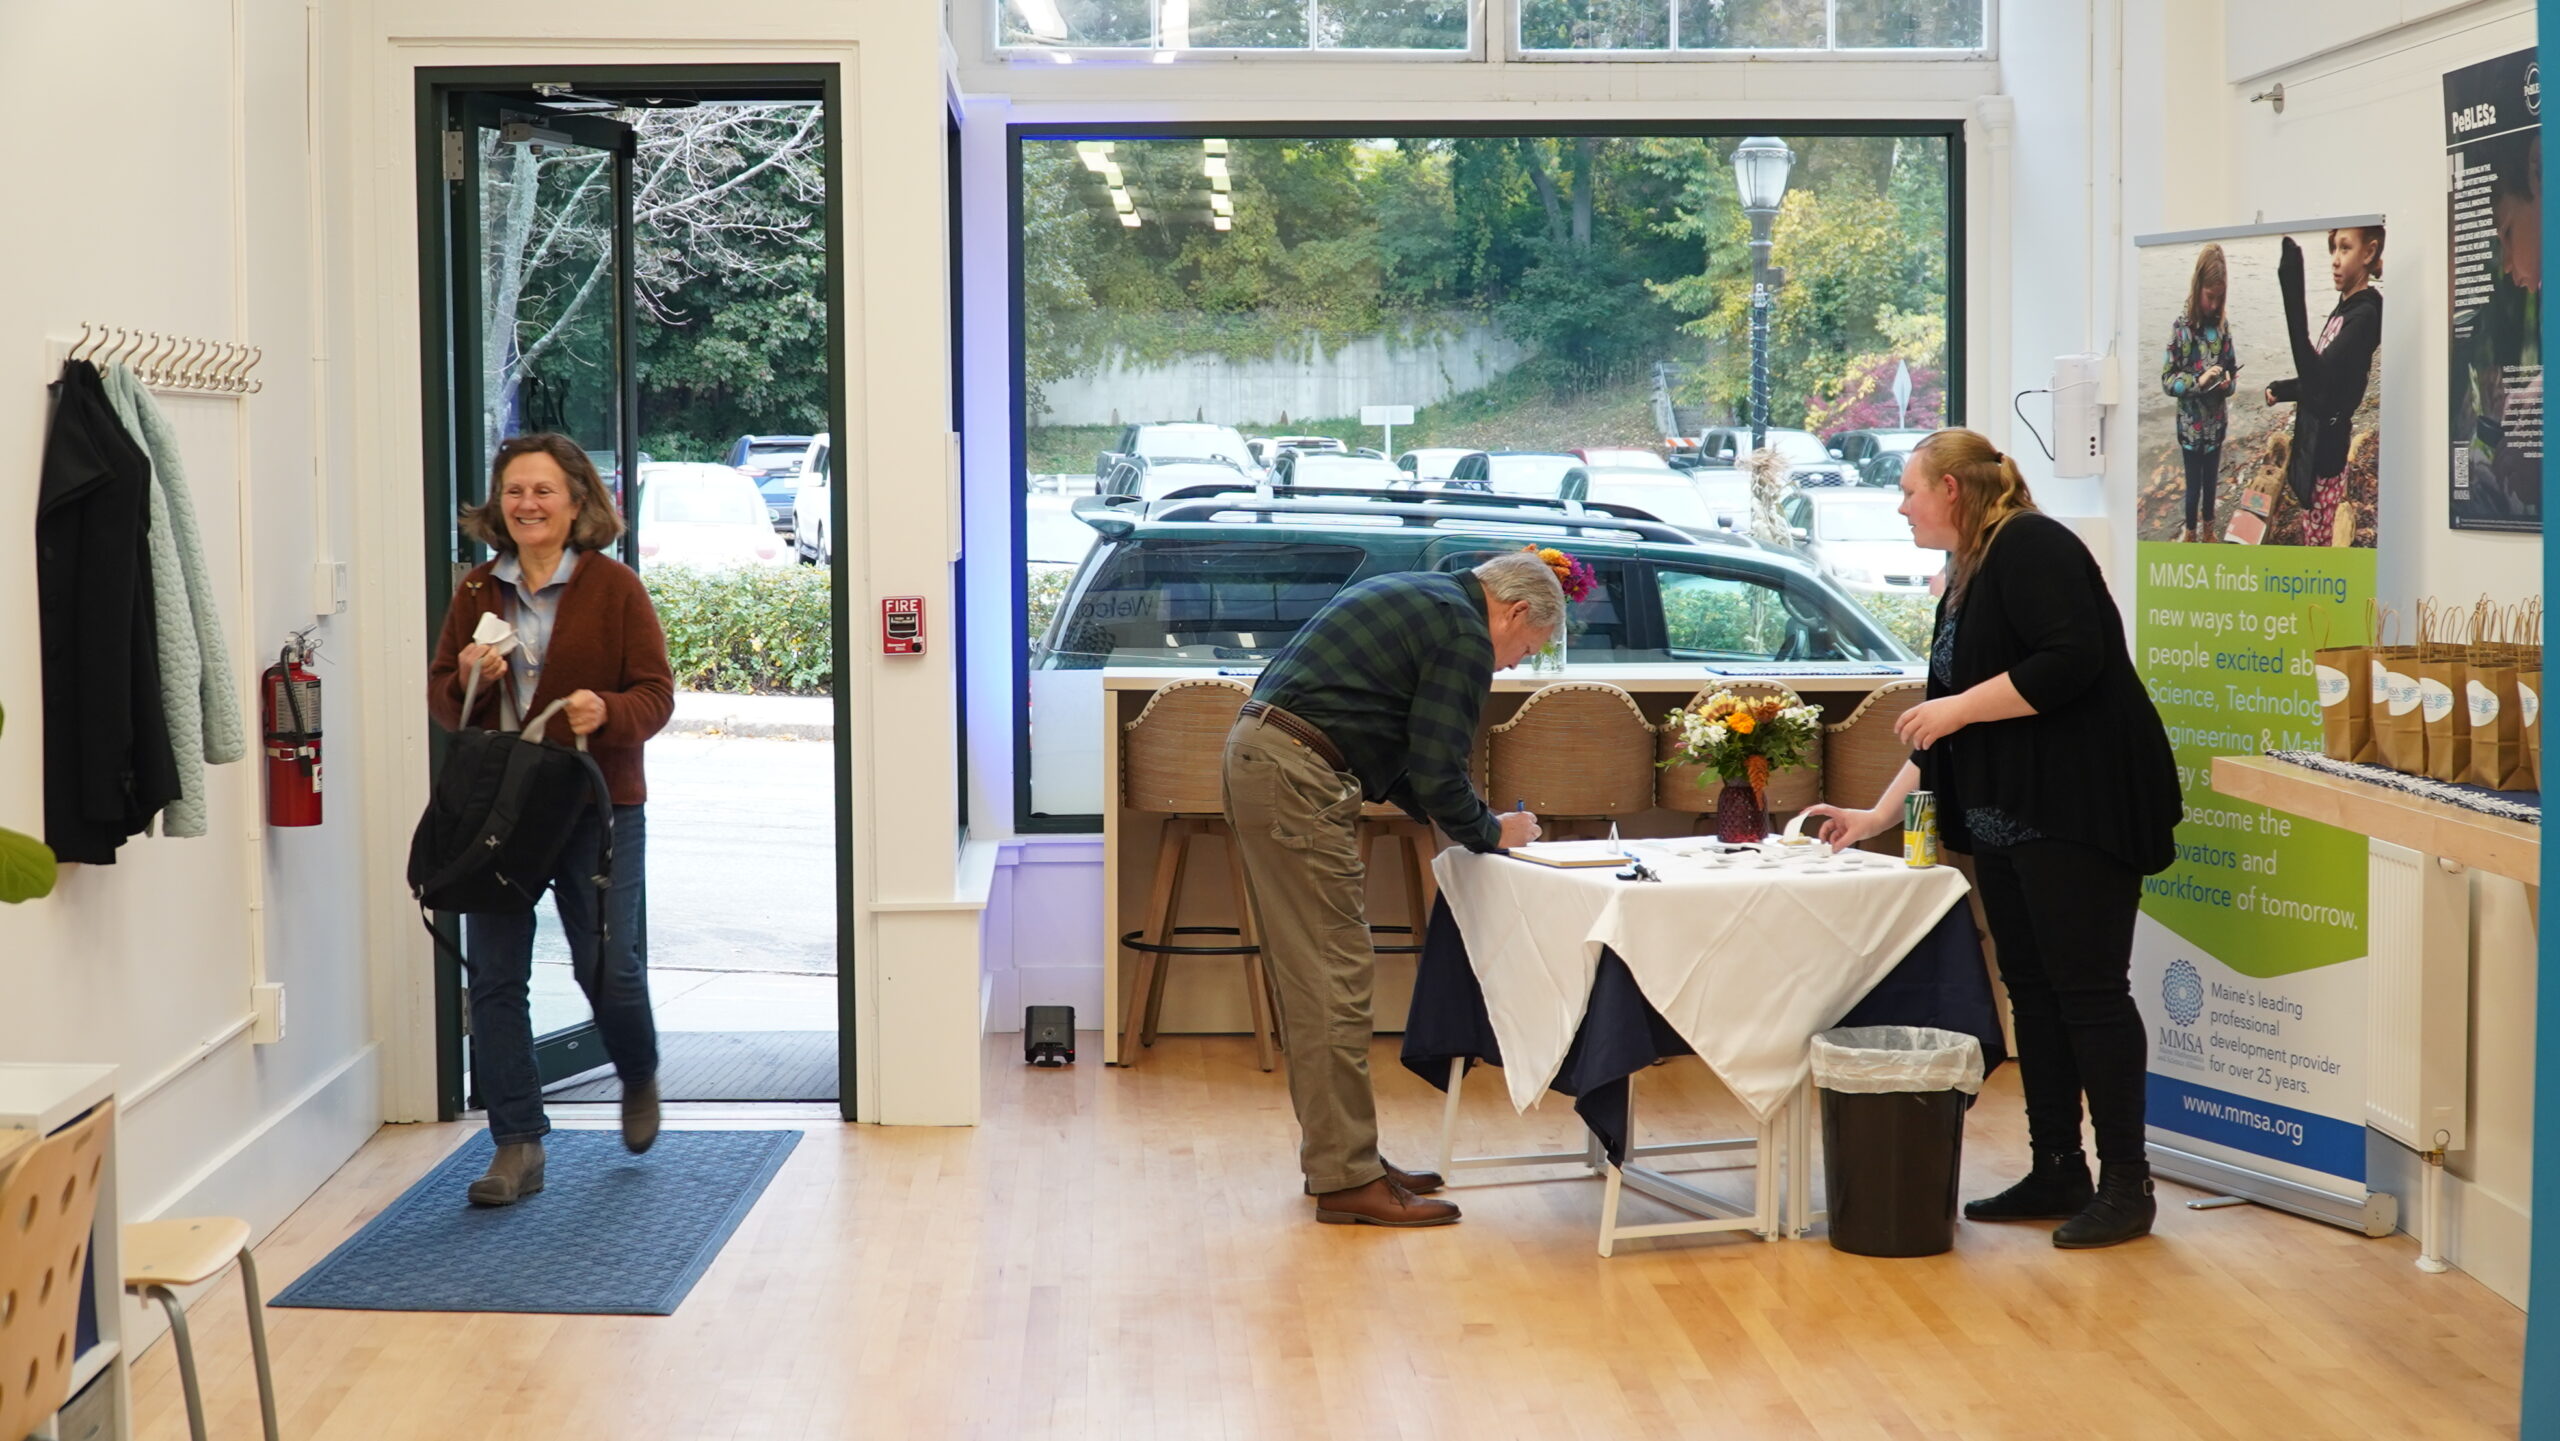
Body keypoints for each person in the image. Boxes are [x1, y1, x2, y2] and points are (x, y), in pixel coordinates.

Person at [1801, 429, 2182, 1249]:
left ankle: (2126, 1181)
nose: (1899, 505)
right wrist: (1876, 816)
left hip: (2080, 808)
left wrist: (1959, 709)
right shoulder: (1965, 576)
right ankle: (2057, 1165)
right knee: (2032, 992)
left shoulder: (2033, 546)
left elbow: (2073, 659)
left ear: (1953, 490)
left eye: (1909, 489)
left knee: (2088, 991)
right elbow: (1937, 725)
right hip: (2008, 816)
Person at [1223, 552, 1558, 1227]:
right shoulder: (1463, 633)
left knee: (1319, 978)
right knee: (1332, 981)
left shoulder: (1421, 596)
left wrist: (1472, 827)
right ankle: (1347, 1178)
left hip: (1267, 755)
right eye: (1526, 648)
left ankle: (1349, 1159)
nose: (1516, 665)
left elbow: (1406, 762)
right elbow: (1437, 770)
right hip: (1296, 774)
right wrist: (1491, 830)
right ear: (1514, 611)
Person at [428, 433, 675, 1206]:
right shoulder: (475, 592)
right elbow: (443, 699)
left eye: (543, 491)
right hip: (497, 810)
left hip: (594, 804)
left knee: (608, 965)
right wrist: (466, 676)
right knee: (496, 977)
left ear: (577, 503)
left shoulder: (615, 588)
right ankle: (518, 1143)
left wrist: (607, 711)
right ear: (498, 506)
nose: (527, 504)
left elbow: (657, 696)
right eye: (514, 492)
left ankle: (637, 1069)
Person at [2265, 227, 2383, 546]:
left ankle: (2320, 587)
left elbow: (2320, 379)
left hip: (2326, 449)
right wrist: (2285, 390)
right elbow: (2325, 378)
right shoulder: (2344, 308)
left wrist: (2292, 296)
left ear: (2369, 253)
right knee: (2311, 521)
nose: (2334, 260)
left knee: (2318, 539)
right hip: (2313, 442)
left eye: (2344, 248)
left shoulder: (2365, 316)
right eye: (2333, 249)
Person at [2159, 244, 2238, 542]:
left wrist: (2228, 382)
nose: (2215, 305)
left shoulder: (2222, 325)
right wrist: (2199, 382)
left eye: (2220, 298)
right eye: (2210, 297)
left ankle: (2209, 529)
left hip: (2216, 425)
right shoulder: (2180, 328)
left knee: (2211, 482)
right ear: (2198, 287)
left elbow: (2231, 369)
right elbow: (2167, 380)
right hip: (2191, 431)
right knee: (2193, 486)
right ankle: (2190, 532)